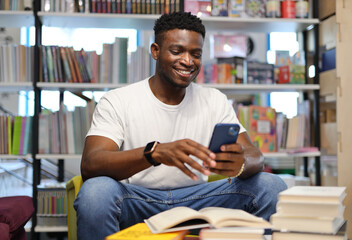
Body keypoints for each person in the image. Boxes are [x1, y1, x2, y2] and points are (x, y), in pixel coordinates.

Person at [74, 12, 287, 240]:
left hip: (198, 200)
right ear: (155, 50)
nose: (188, 61)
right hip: (137, 200)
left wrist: (242, 162)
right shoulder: (118, 100)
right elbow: (91, 163)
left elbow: (255, 154)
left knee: (271, 185)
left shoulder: (214, 100)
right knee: (95, 192)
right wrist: (154, 153)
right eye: (177, 51)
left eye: (196, 54)